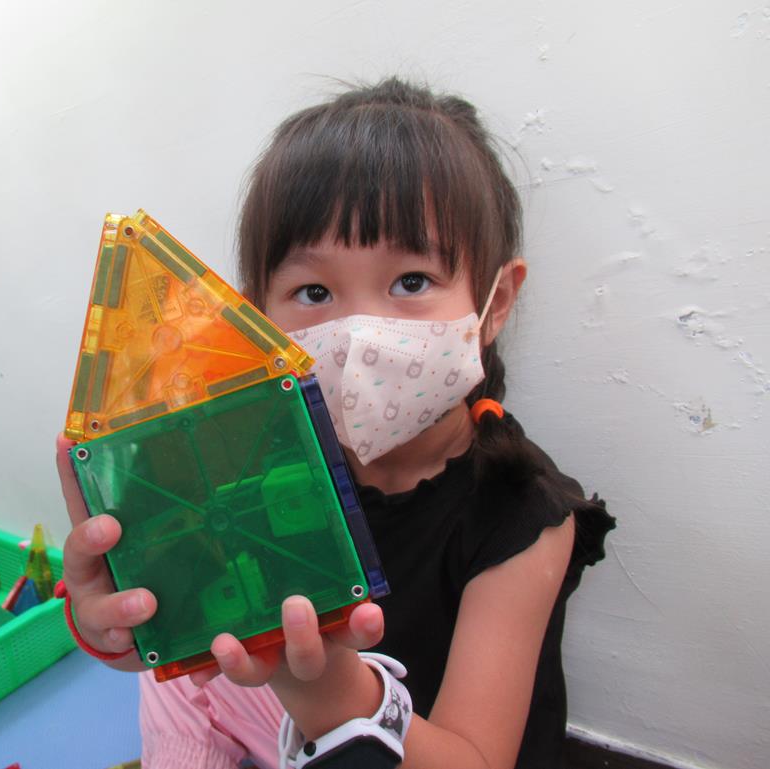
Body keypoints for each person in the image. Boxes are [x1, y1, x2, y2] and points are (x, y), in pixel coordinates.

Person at [56, 77, 616, 769]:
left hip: (415, 748)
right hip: (297, 713)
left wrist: (331, 691)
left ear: (495, 302)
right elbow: (190, 631)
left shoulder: (523, 513)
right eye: (314, 291)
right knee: (178, 682)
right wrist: (117, 623)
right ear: (253, 322)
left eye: (411, 281)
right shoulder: (252, 454)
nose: (358, 333)